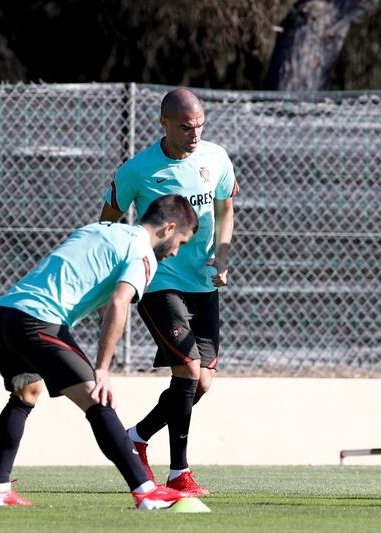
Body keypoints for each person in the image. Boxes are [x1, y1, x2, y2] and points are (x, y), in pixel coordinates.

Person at [0, 195, 198, 509]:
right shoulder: (143, 255)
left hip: (4, 314)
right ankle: (145, 492)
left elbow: (92, 286)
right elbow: (118, 302)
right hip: (38, 321)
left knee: (25, 394)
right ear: (168, 228)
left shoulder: (99, 229)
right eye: (181, 241)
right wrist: (102, 370)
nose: (176, 251)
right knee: (98, 399)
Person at [99, 88, 239, 495]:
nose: (194, 133)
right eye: (185, 126)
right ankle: (179, 473)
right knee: (188, 370)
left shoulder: (216, 158)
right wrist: (123, 264)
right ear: (164, 124)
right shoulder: (138, 170)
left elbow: (225, 209)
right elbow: (108, 219)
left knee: (203, 383)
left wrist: (224, 257)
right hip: (158, 280)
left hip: (203, 280)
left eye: (199, 125)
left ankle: (137, 437)